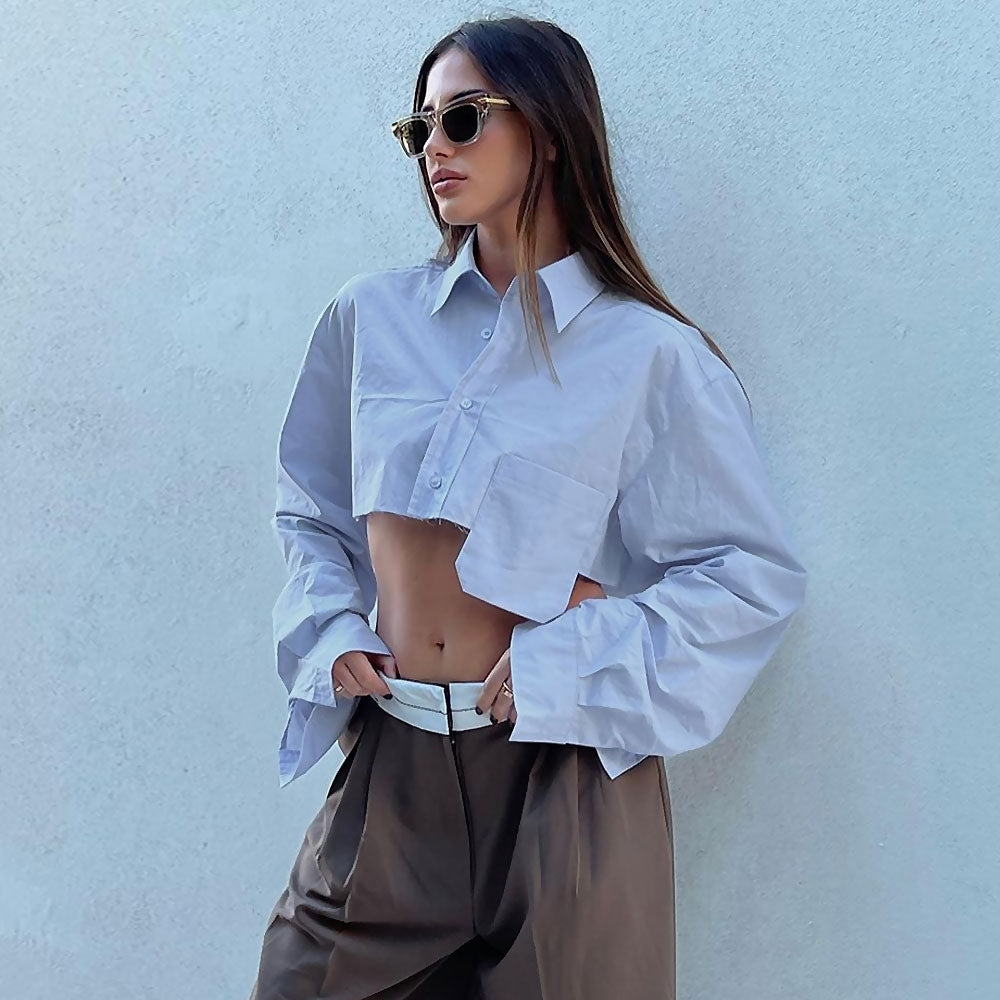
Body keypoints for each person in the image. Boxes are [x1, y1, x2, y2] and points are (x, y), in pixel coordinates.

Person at [249, 14, 807, 1000]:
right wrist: (329, 626)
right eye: (418, 127)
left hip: (569, 777)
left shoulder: (652, 356)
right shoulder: (369, 317)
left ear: (546, 128)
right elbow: (311, 508)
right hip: (392, 768)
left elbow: (747, 579)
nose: (434, 148)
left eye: (463, 118)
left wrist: (583, 650)